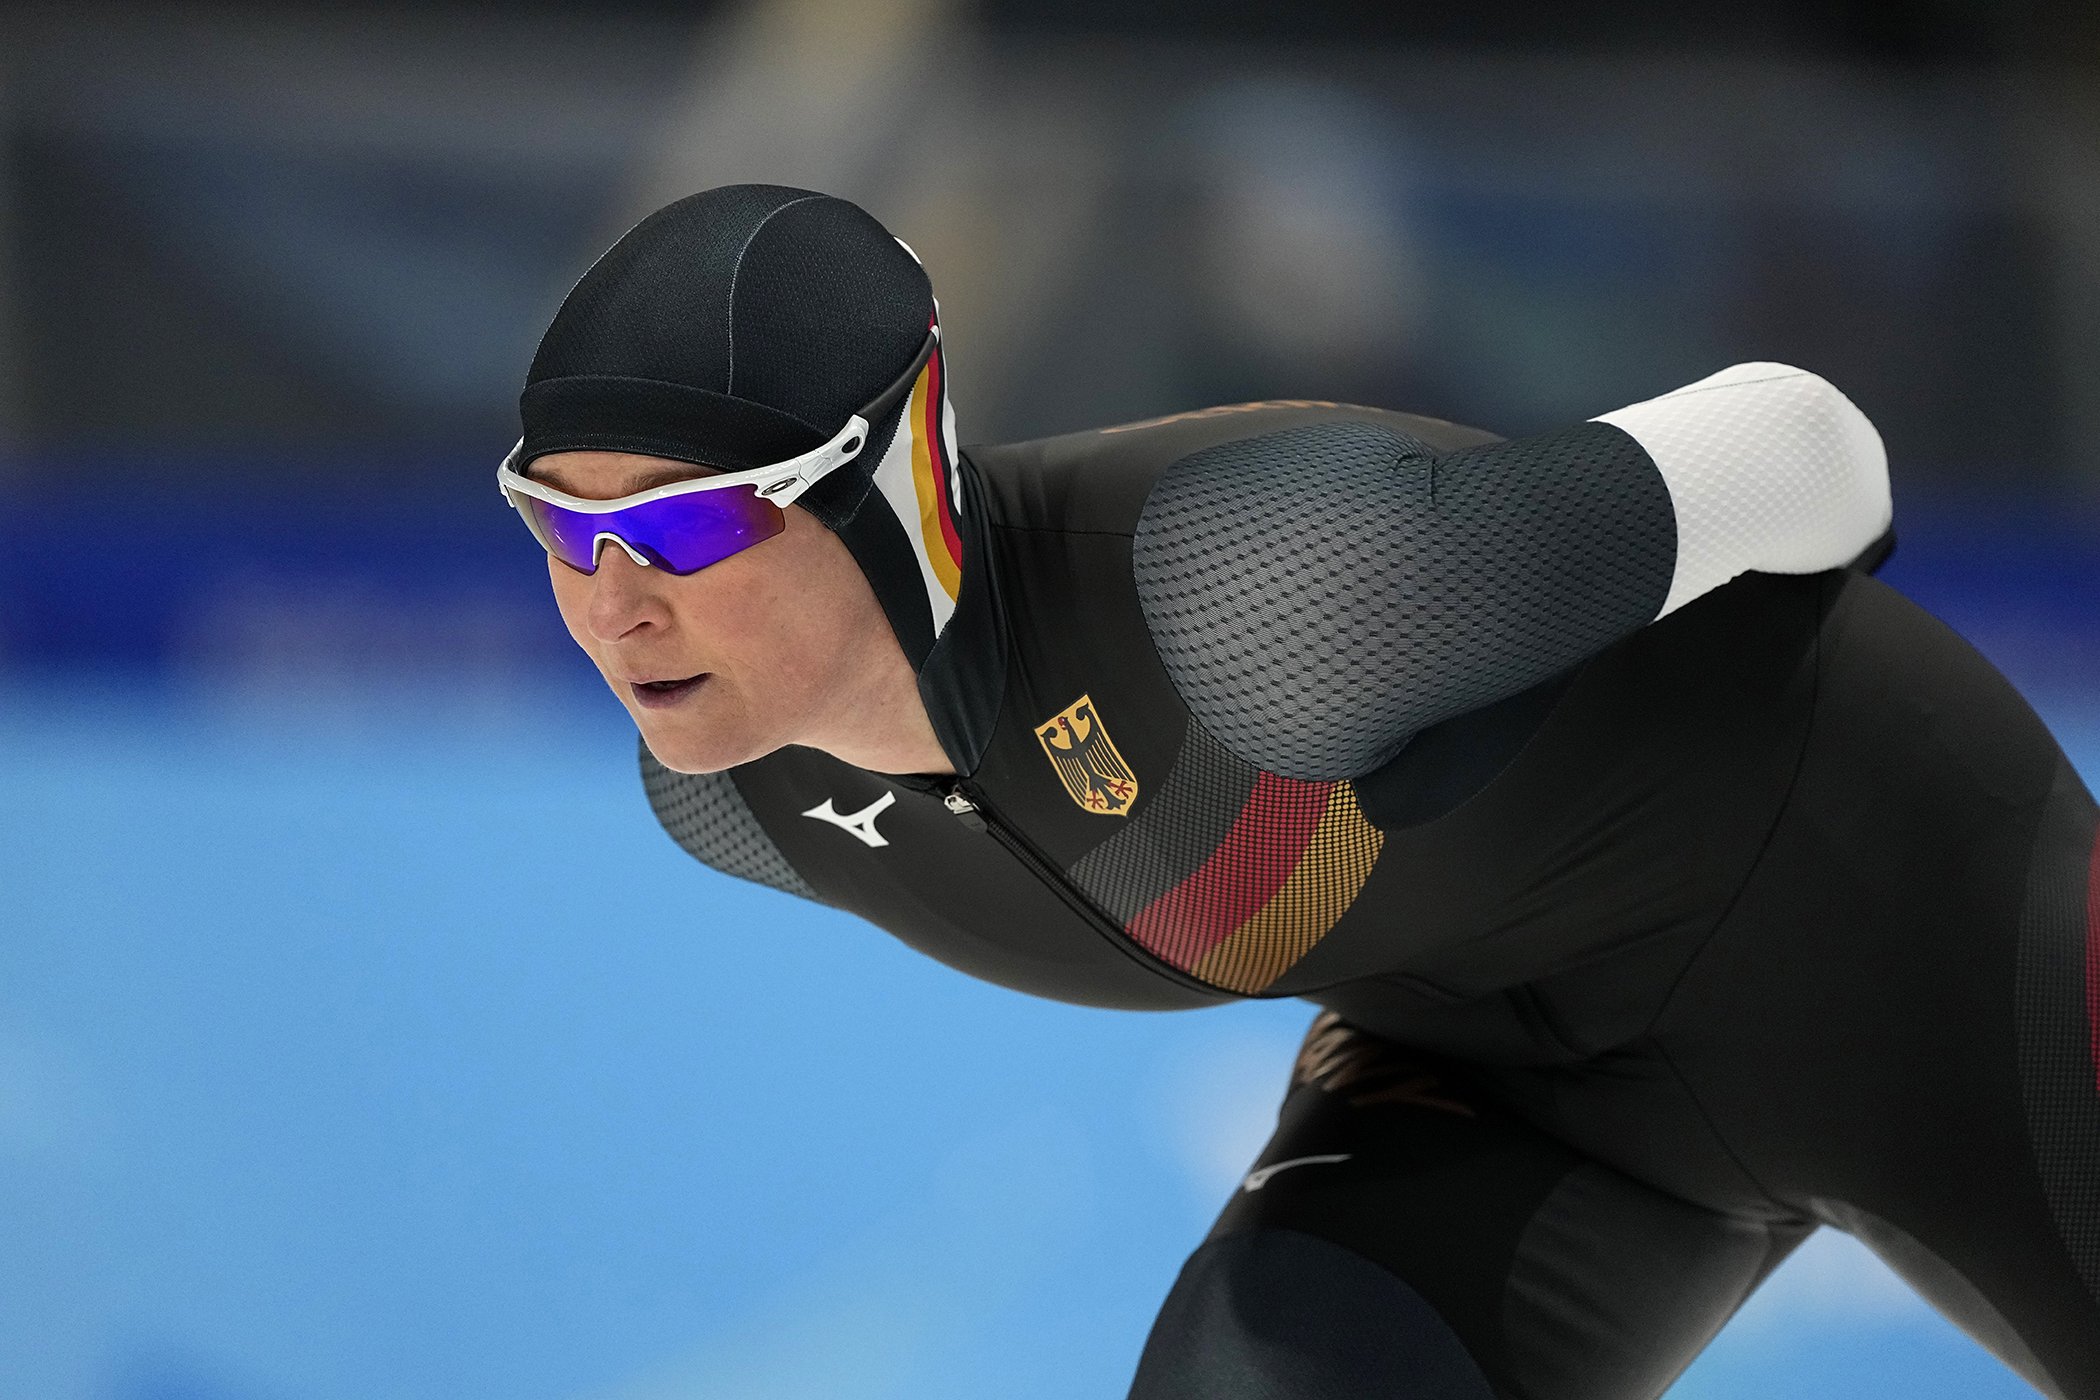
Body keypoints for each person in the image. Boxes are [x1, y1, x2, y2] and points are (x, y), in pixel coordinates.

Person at [498, 184, 2100, 1399]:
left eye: (687, 526)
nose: (614, 602)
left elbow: (1804, 439)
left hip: (1914, 933)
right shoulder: (737, 799)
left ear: (885, 479)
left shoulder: (1264, 594)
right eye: (560, 529)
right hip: (1510, 1090)